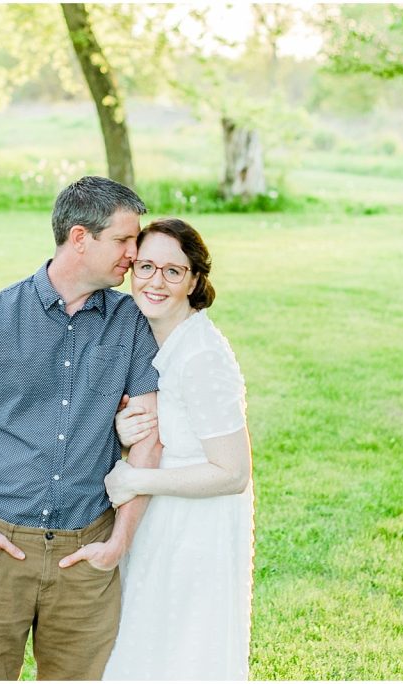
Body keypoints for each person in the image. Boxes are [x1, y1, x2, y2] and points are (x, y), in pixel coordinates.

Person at [0, 175, 163, 681]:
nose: (133, 252)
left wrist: (117, 543)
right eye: (123, 239)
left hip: (87, 554)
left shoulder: (133, 323)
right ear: (80, 238)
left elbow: (148, 440)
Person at [102, 218, 254, 681]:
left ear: (193, 280)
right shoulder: (160, 339)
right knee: (146, 643)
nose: (155, 281)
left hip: (196, 529)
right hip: (163, 521)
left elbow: (232, 473)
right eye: (146, 266)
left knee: (182, 650)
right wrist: (125, 431)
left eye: (172, 270)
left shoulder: (201, 356)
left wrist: (136, 478)